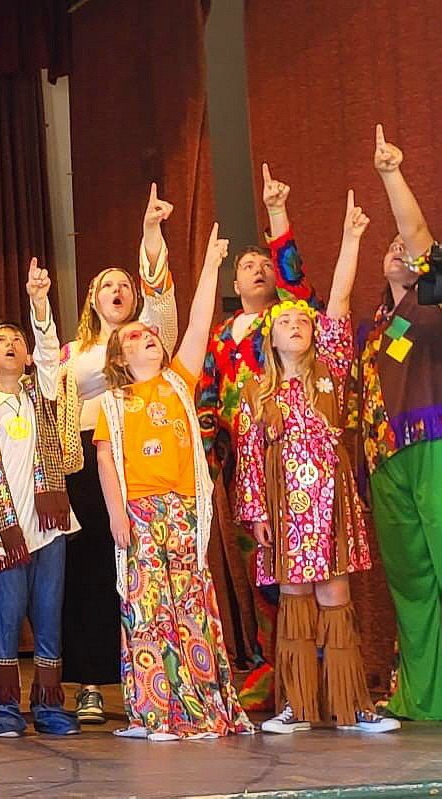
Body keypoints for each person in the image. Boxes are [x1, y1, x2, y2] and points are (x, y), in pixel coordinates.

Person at [236, 193, 400, 735]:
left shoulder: (330, 368)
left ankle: (353, 706)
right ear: (270, 337)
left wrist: (351, 239)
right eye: (285, 322)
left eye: (302, 321)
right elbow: (250, 461)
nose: (296, 325)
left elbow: (340, 299)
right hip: (285, 510)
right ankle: (297, 706)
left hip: (330, 507)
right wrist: (258, 514)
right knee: (295, 602)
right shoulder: (258, 393)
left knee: (335, 597)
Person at [95, 223, 253, 741]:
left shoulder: (178, 383)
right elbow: (107, 462)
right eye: (134, 336)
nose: (147, 337)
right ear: (120, 358)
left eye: (150, 334)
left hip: (182, 508)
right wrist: (117, 516)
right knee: (147, 608)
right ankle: (154, 712)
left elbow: (200, 322)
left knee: (189, 603)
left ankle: (199, 705)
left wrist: (210, 267)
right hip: (139, 512)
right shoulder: (114, 403)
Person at [35, 184, 179, 723]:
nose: (117, 290)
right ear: (92, 299)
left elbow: (163, 301)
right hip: (83, 462)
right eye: (106, 285)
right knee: (89, 567)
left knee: (141, 565)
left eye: (125, 284)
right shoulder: (76, 352)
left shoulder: (147, 339)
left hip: (138, 458)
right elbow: (47, 380)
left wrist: (150, 232)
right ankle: (91, 682)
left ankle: (152, 675)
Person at [194, 164, 314, 708]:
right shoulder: (221, 337)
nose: (259, 270)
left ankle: (314, 661)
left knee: (308, 559)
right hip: (243, 469)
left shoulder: (287, 321)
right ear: (235, 285)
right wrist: (209, 456)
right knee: (262, 567)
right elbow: (205, 398)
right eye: (248, 266)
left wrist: (276, 214)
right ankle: (274, 663)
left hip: (295, 458)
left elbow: (296, 282)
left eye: (265, 264)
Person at [0, 261, 82, 738]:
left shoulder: (41, 395)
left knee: (49, 618)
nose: (11, 344)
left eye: (18, 339)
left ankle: (50, 707)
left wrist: (39, 303)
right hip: (8, 532)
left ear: (28, 356)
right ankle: (1, 709)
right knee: (6, 620)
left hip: (50, 527)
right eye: (1, 341)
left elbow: (51, 355)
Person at [364, 125, 442, 720]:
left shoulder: (433, 299)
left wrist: (391, 175)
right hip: (385, 460)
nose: (398, 249)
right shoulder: (373, 324)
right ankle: (422, 697)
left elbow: (420, 242)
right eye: (387, 245)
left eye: (404, 246)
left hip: (433, 442)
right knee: (411, 582)